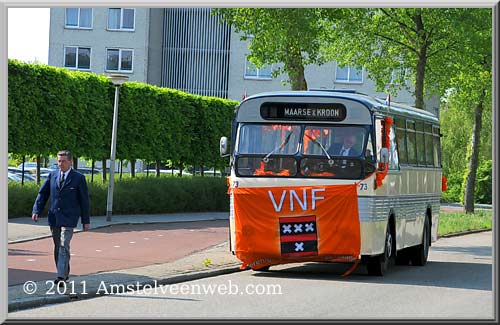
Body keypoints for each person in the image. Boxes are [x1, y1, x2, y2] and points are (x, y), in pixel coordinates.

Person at [32, 150, 90, 286]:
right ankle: (64, 272)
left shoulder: (78, 178)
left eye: (63, 161)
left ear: (71, 162)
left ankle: (60, 277)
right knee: (58, 246)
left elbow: (84, 201)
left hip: (69, 218)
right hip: (54, 217)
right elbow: (43, 193)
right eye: (58, 161)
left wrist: (85, 221)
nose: (60, 164)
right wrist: (36, 210)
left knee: (64, 245)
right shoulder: (52, 175)